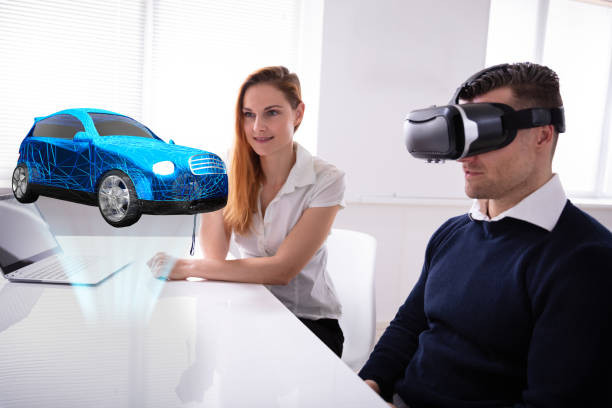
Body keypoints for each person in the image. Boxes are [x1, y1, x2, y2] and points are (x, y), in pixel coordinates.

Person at [359, 62, 612, 407]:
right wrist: (369, 387)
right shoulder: (453, 233)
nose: (467, 154)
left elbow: (555, 401)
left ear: (542, 134)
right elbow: (409, 325)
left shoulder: (585, 260)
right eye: (461, 133)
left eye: (487, 131)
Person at [148, 66, 346, 357]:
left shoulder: (327, 179)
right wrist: (211, 186)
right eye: (248, 114)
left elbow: (282, 270)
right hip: (249, 308)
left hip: (308, 323)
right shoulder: (228, 168)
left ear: (298, 114)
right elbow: (215, 254)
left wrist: (187, 267)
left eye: (272, 113)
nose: (257, 127)